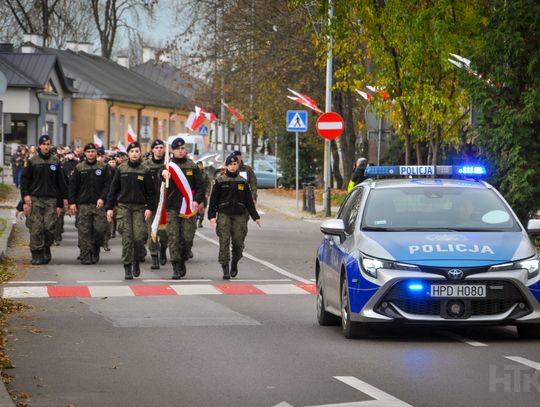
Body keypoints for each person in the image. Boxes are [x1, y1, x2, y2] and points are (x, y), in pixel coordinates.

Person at [106, 142, 155, 280]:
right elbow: (113, 190)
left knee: (139, 238)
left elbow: (151, 192)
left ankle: (136, 260)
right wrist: (109, 208)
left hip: (140, 208)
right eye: (132, 151)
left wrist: (150, 208)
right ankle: (127, 265)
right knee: (127, 238)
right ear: (128, 154)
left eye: (137, 151)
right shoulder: (121, 168)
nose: (134, 153)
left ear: (140, 153)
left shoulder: (145, 170)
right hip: (124, 207)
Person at [208, 154, 261, 279]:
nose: (232, 167)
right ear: (226, 166)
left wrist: (256, 216)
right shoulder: (220, 181)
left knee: (238, 242)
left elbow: (249, 201)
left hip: (240, 216)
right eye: (230, 164)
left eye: (235, 164)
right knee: (224, 241)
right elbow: (213, 200)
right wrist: (212, 216)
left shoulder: (242, 181)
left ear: (238, 165)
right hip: (224, 215)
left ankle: (235, 262)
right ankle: (225, 267)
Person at [161, 137, 206, 279]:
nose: (181, 151)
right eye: (177, 149)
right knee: (174, 237)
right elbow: (160, 183)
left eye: (182, 148)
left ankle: (183, 257)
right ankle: (175, 264)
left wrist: (197, 201)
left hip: (188, 207)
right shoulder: (168, 166)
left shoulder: (192, 166)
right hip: (172, 207)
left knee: (187, 236)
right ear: (173, 151)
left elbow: (201, 186)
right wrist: (163, 176)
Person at [20, 135, 67, 265]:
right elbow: (24, 180)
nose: (46, 146)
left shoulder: (55, 161)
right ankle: (36, 253)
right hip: (35, 199)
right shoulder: (32, 161)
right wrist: (25, 196)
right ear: (39, 145)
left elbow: (61, 183)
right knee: (36, 227)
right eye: (44, 144)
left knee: (50, 227)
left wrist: (61, 201)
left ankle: (46, 247)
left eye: (48, 144)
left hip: (51, 200)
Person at [68, 143, 112, 264]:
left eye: (93, 151)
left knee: (99, 229)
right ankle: (85, 253)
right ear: (85, 153)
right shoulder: (79, 167)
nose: (91, 154)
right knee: (84, 230)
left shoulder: (103, 167)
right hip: (84, 204)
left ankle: (96, 247)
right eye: (88, 151)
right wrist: (72, 202)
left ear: (96, 153)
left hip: (99, 205)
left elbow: (108, 185)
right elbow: (73, 186)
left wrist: (103, 198)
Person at [143, 139, 169, 270]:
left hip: (165, 203)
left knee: (165, 233)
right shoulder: (146, 165)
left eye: (161, 147)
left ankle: (163, 248)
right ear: (152, 150)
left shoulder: (168, 164)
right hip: (151, 203)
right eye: (156, 147)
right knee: (152, 230)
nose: (159, 149)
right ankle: (154, 256)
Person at [196, 161, 212, 228]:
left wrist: (207, 193)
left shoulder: (205, 175)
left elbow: (209, 184)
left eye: (200, 165)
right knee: (196, 208)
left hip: (204, 194)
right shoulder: (195, 173)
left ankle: (200, 222)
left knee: (203, 209)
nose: (199, 166)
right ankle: (195, 221)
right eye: (198, 165)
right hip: (196, 194)